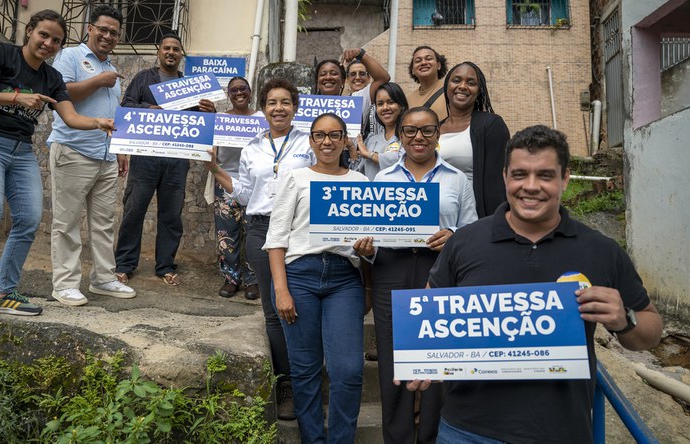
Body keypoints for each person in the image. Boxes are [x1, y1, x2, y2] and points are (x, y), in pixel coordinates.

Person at [418, 125, 663, 443]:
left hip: (561, 432)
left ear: (565, 179)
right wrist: (422, 359)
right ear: (505, 176)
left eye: (545, 175)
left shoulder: (601, 250)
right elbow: (427, 313)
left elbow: (651, 331)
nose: (530, 187)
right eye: (520, 174)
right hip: (467, 430)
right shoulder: (465, 242)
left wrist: (624, 318)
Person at [0, 10, 115, 317]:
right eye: (44, 35)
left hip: (20, 150)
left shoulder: (51, 78)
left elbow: (70, 116)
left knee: (28, 218)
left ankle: (4, 293)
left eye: (56, 40)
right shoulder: (0, 53)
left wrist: (97, 122)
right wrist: (16, 98)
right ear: (29, 31)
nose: (49, 43)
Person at [206, 78, 316, 420]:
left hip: (301, 230)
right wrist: (213, 168)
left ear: (295, 107)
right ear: (263, 109)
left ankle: (308, 378)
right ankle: (285, 385)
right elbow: (242, 193)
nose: (279, 108)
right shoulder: (252, 147)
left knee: (303, 304)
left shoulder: (310, 142)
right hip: (261, 230)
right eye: (272, 102)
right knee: (273, 312)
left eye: (285, 102)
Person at [372, 106, 477, 443]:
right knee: (392, 361)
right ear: (400, 136)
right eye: (410, 131)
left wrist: (455, 237)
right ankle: (398, 437)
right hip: (391, 268)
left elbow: (471, 231)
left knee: (438, 359)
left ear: (438, 134)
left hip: (441, 271)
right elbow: (372, 233)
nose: (419, 137)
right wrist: (366, 248)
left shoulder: (456, 179)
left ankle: (434, 437)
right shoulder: (383, 179)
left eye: (427, 130)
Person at [265, 113, 371, 443]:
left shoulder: (361, 183)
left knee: (348, 370)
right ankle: (313, 439)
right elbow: (277, 237)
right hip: (299, 276)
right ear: (311, 142)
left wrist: (367, 253)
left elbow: (368, 242)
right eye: (319, 136)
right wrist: (281, 290)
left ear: (345, 141)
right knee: (305, 368)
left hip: (344, 279)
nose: (327, 141)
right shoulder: (295, 178)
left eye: (334, 135)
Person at [47, 4, 135, 306]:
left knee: (104, 222)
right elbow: (61, 94)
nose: (108, 36)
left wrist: (120, 150)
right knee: (66, 221)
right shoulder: (69, 56)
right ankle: (65, 284)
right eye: (103, 29)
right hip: (73, 151)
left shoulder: (112, 69)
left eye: (114, 32)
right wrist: (99, 80)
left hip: (106, 156)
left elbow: (113, 114)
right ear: (90, 28)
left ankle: (103, 279)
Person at [113, 33, 216, 288]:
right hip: (145, 158)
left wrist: (209, 111)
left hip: (177, 159)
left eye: (176, 49)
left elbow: (200, 123)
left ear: (182, 54)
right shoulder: (143, 78)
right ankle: (125, 265)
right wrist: (150, 110)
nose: (171, 52)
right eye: (167, 48)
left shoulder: (190, 86)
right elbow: (126, 106)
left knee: (171, 215)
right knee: (134, 211)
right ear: (159, 51)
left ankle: (166, 266)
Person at [439, 61, 510, 218]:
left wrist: (494, 227)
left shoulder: (491, 125)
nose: (463, 86)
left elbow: (497, 185)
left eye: (471, 83)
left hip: (471, 220)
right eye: (456, 80)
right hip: (433, 220)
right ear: (447, 86)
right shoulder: (433, 128)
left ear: (479, 91)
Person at [213, 76, 260, 299]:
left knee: (254, 233)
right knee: (227, 233)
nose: (239, 93)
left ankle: (254, 281)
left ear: (250, 92)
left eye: (243, 89)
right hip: (226, 182)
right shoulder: (220, 119)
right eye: (233, 90)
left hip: (256, 184)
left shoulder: (262, 119)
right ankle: (231, 278)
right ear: (229, 95)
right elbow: (212, 150)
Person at [355, 82, 409, 180]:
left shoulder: (410, 137)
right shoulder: (371, 140)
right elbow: (358, 174)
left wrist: (370, 155)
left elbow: (404, 161)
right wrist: (351, 149)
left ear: (402, 106)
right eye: (380, 104)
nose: (385, 108)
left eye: (391, 102)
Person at [341, 48, 390, 138]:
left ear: (369, 78)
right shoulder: (344, 104)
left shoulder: (381, 102)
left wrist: (360, 53)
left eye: (362, 74)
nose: (357, 77)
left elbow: (384, 78)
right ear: (347, 79)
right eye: (353, 74)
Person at [405, 46, 449, 122]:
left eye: (429, 59)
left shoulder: (450, 92)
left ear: (439, 65)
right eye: (418, 61)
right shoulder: (407, 100)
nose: (423, 63)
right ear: (412, 70)